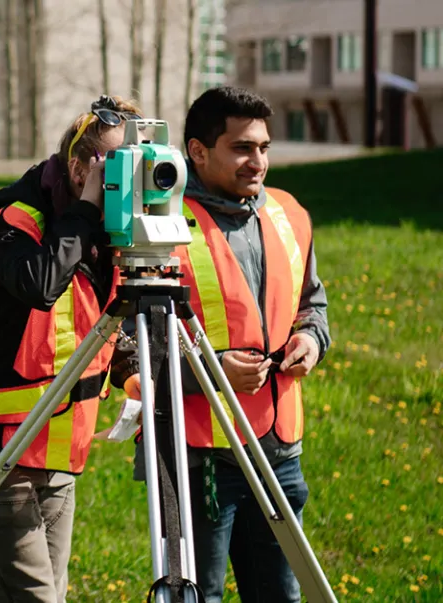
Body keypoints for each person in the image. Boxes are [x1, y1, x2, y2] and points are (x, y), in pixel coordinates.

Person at [109, 86, 331, 603]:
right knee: (197, 594)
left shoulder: (289, 214)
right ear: (197, 151)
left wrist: (311, 340)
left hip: (279, 451)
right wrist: (210, 375)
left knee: (279, 594)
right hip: (196, 456)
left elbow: (312, 304)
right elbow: (119, 344)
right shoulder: (157, 231)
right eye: (242, 148)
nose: (258, 162)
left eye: (264, 147)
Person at [0, 95, 141, 603]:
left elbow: (106, 320)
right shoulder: (16, 220)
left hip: (56, 453)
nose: (123, 184)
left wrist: (131, 371)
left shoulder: (112, 236)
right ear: (77, 167)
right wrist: (87, 210)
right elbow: (41, 284)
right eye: (113, 167)